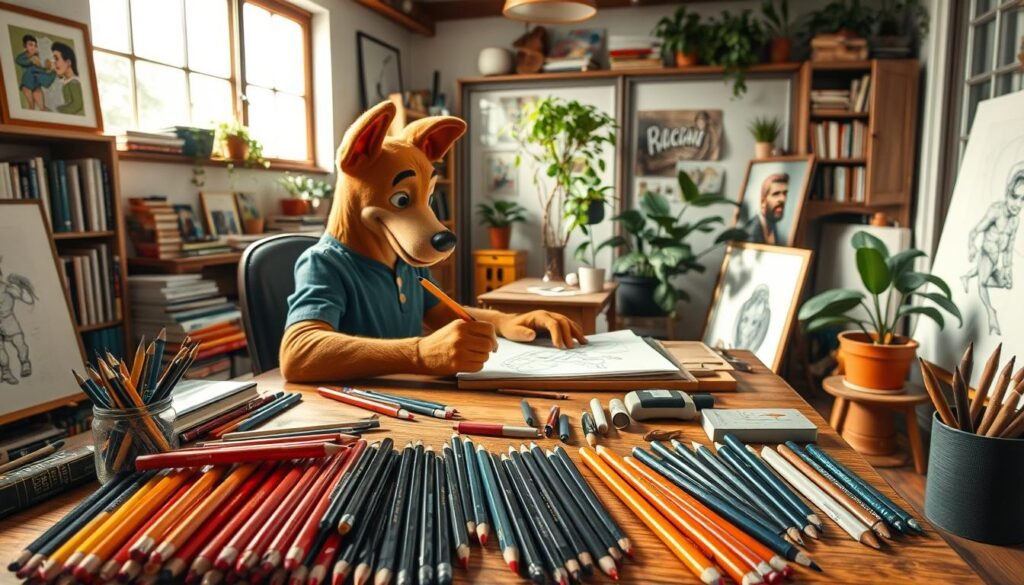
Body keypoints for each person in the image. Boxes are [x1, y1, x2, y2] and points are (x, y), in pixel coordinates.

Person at [961, 163, 1024, 335]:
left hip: (997, 259)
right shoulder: (996, 211)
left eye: (1023, 199)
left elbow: (1009, 250)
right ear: (1007, 192)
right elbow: (974, 231)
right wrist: (971, 247)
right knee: (982, 282)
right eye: (1015, 196)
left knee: (1004, 283)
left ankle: (967, 276)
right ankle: (991, 313)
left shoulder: (1015, 221)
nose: (1017, 204)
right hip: (987, 253)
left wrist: (1007, 270)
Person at [0, 259, 36, 385]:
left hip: (9, 321)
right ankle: (5, 372)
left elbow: (29, 300)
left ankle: (25, 363)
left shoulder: (7, 288)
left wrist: (20, 290)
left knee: (20, 344)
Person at [14, 34, 55, 112]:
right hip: (27, 84)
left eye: (35, 45)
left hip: (36, 85)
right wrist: (30, 57)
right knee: (31, 106)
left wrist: (48, 68)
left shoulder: (39, 58)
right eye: (30, 45)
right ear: (25, 46)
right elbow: (18, 60)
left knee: (42, 108)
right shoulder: (25, 57)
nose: (33, 47)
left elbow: (42, 69)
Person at [746, 172, 789, 245]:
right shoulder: (751, 232)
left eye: (785, 194)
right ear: (763, 201)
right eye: (776, 194)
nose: (783, 199)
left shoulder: (773, 224)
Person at [734, 284, 771, 352]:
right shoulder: (746, 305)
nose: (760, 297)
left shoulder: (765, 312)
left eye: (754, 322)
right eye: (745, 320)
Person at [50, 42, 83, 115]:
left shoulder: (74, 83)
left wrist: (57, 110)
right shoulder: (66, 81)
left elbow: (77, 105)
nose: (54, 63)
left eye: (56, 59)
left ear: (68, 62)